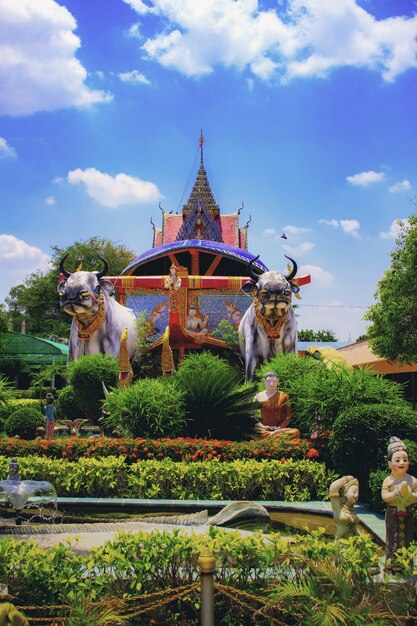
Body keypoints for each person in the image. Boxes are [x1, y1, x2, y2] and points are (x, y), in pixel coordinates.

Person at [381, 437, 417, 569]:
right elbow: (385, 496)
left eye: (405, 460)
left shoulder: (413, 480)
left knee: (408, 537)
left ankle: (407, 565)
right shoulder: (388, 480)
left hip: (408, 512)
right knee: (393, 538)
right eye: (397, 460)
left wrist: (409, 495)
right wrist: (396, 493)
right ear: (390, 463)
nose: (402, 462)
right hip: (393, 513)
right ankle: (392, 566)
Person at [253, 372, 299, 440]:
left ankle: (271, 436)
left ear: (278, 382)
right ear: (264, 381)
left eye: (274, 381)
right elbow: (252, 417)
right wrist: (262, 426)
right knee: (254, 432)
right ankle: (272, 436)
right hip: (265, 429)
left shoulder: (284, 396)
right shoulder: (258, 397)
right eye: (268, 381)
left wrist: (279, 428)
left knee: (295, 432)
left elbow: (288, 416)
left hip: (279, 428)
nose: (271, 384)